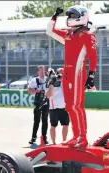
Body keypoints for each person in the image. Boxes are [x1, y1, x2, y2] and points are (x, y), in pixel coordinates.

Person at [46, 5, 97, 147]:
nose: (70, 19)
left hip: (77, 73)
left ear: (82, 16)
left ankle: (82, 137)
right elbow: (49, 31)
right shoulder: (68, 35)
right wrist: (55, 16)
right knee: (69, 106)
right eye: (70, 16)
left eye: (73, 16)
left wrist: (91, 76)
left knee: (76, 106)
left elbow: (93, 57)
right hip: (67, 74)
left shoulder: (87, 34)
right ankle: (76, 136)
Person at [45, 67, 69, 145]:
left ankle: (64, 141)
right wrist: (51, 84)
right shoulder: (50, 82)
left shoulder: (67, 82)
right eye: (60, 73)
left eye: (63, 73)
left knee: (65, 125)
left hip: (65, 107)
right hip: (54, 108)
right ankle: (54, 142)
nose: (61, 75)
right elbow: (48, 95)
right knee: (53, 125)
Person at [28, 65, 49, 144]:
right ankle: (33, 137)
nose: (42, 72)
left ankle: (44, 138)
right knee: (36, 121)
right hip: (38, 103)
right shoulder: (34, 80)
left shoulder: (48, 79)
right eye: (40, 70)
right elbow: (29, 90)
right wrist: (37, 91)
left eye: (43, 70)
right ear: (38, 72)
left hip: (46, 102)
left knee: (45, 121)